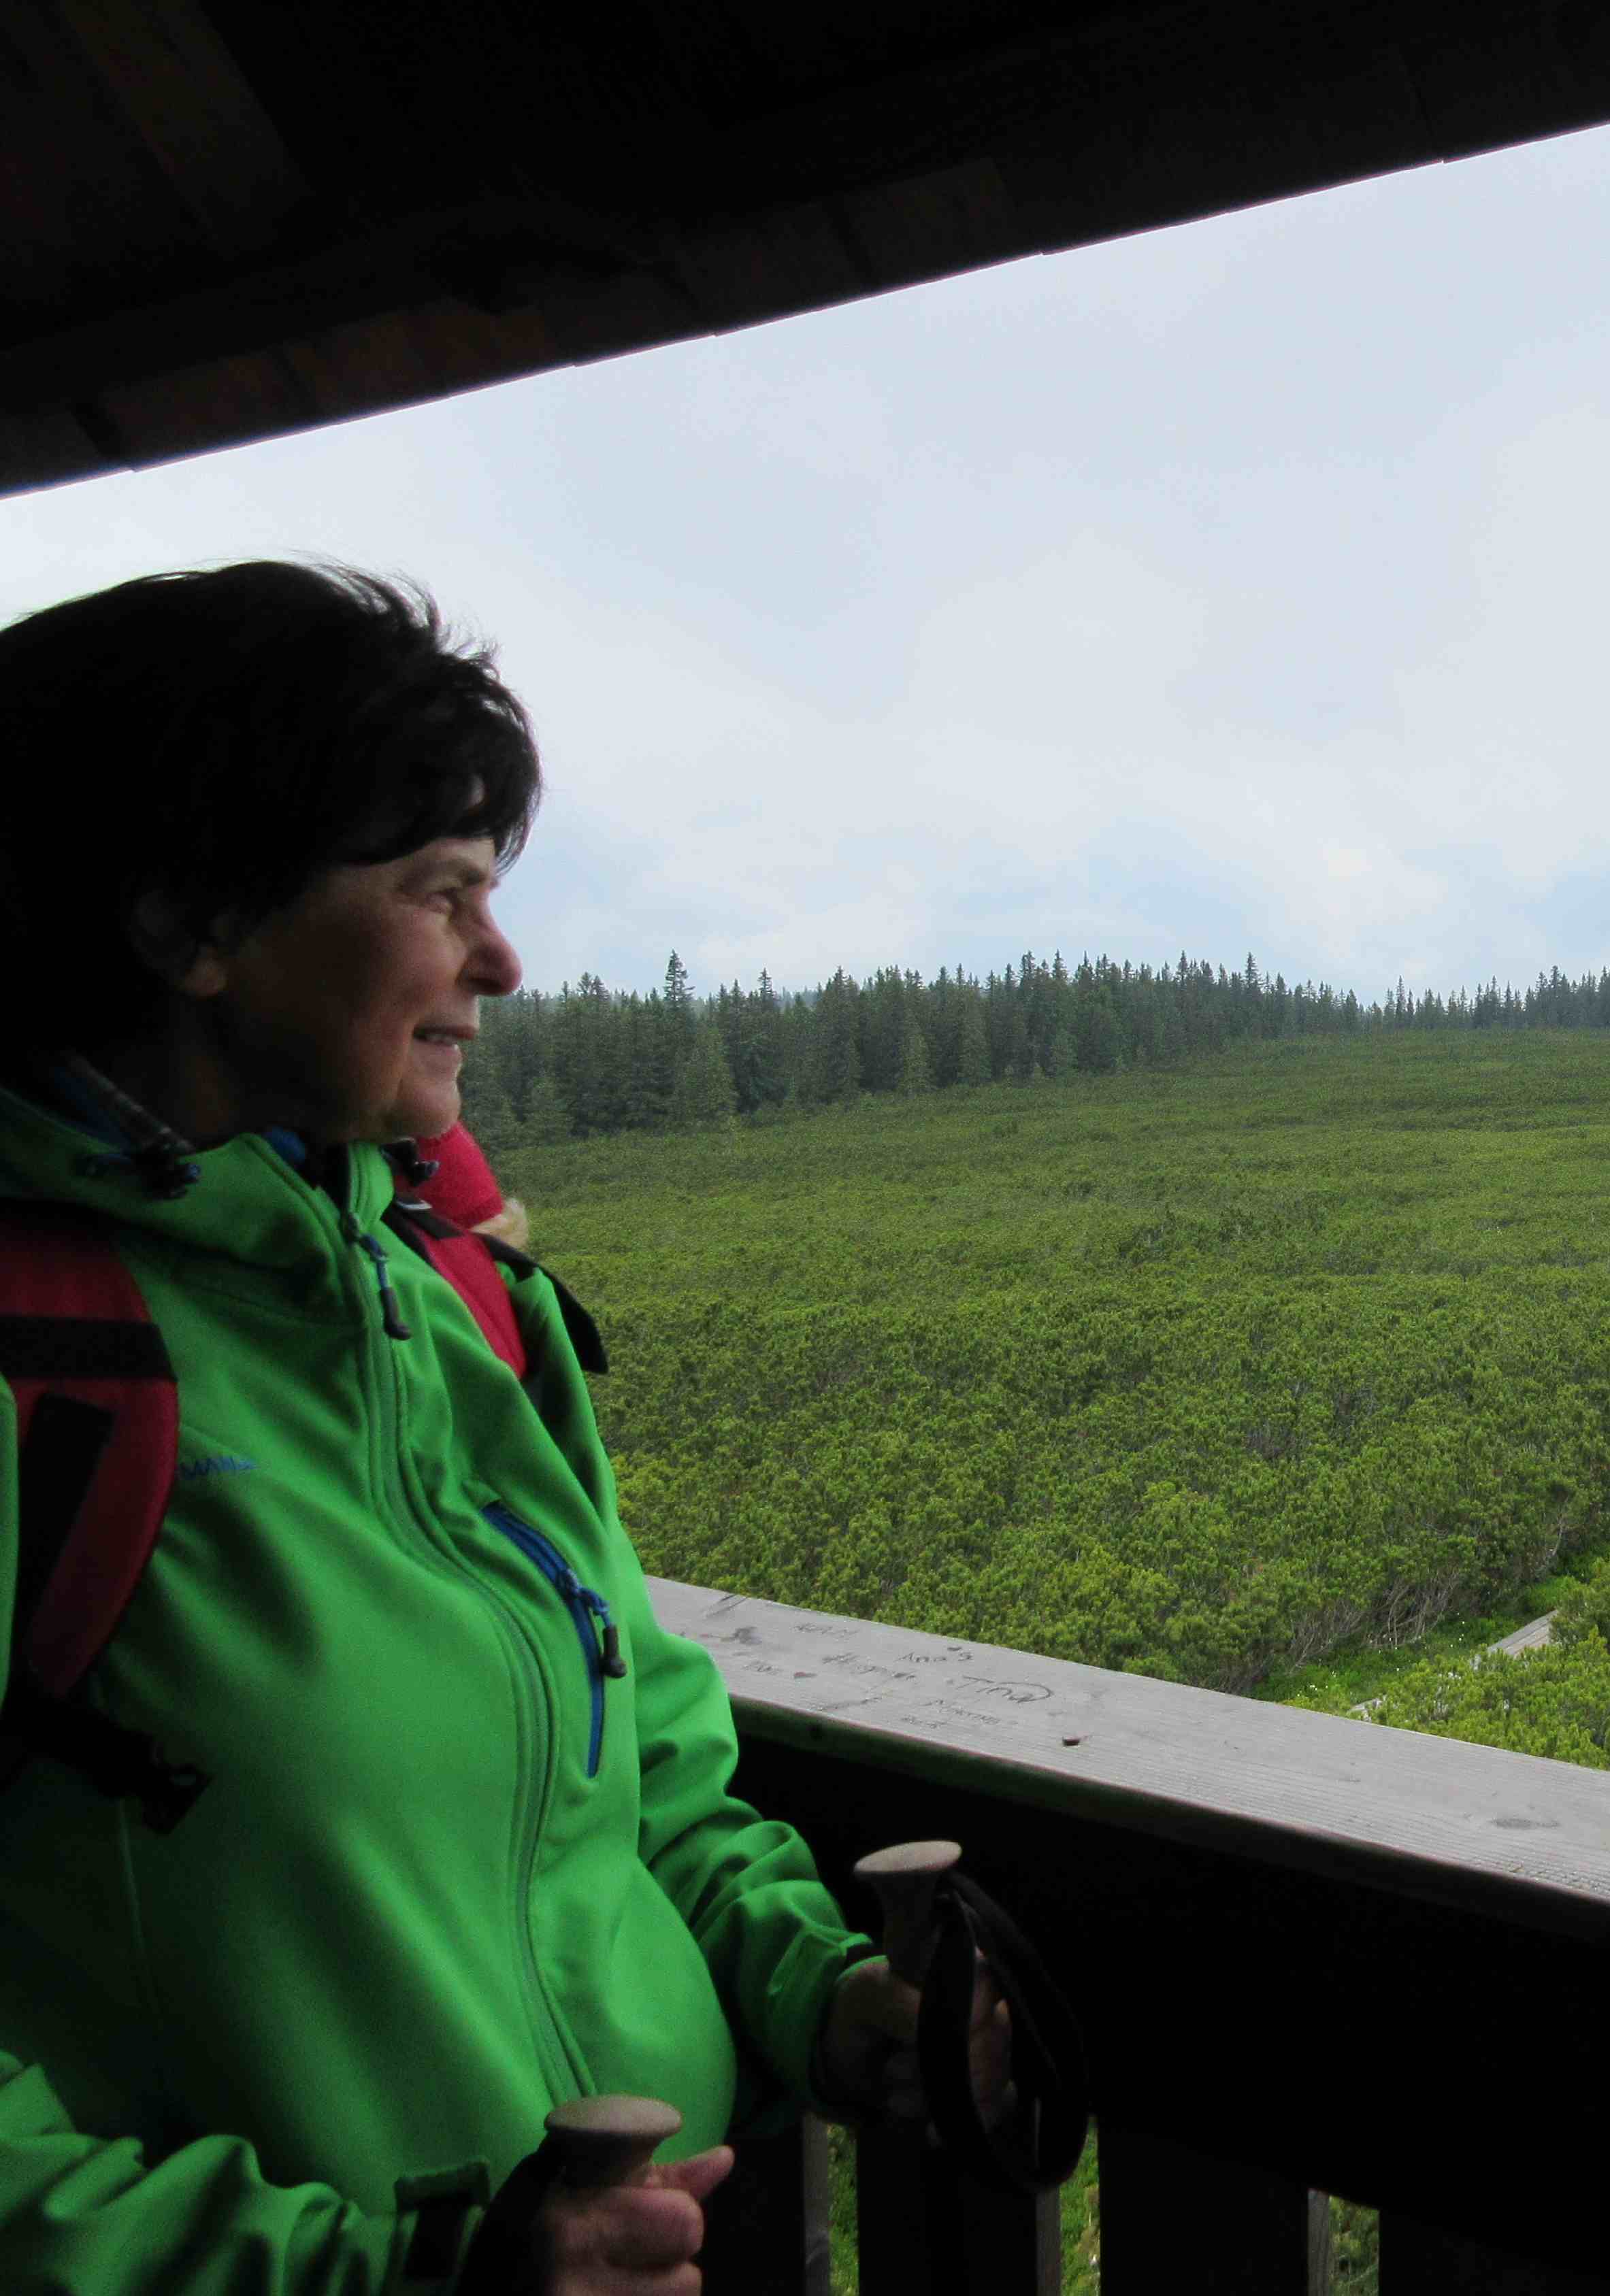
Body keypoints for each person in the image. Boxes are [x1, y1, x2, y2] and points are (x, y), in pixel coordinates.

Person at [0, 563, 958, 2293]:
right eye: (440, 891)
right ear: (191, 922)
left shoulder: (462, 1305)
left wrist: (818, 1990)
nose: (500, 959)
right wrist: (406, 2276)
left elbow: (645, 1782)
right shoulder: (37, 1358)